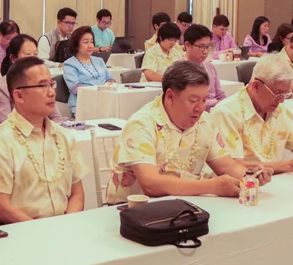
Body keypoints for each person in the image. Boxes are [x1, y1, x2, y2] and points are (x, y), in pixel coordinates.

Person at [107, 61, 272, 204]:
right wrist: (213, 186)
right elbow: (150, 184)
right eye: (193, 100)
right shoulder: (142, 124)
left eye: (204, 100)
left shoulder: (205, 122)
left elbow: (227, 166)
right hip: (133, 213)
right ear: (170, 96)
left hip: (184, 207)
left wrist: (251, 176)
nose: (200, 108)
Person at [0, 57, 87, 223]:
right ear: (19, 95)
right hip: (18, 235)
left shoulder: (63, 136)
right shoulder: (0, 143)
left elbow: (77, 192)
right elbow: (1, 209)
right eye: (42, 86)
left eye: (52, 84)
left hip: (64, 231)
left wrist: (67, 226)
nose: (52, 92)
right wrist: (43, 233)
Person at [0, 34, 63, 126]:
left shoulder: (44, 81)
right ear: (14, 58)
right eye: (28, 54)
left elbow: (56, 117)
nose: (33, 59)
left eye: (35, 54)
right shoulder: (1, 87)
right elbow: (4, 123)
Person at [61, 26, 112, 113]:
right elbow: (77, 89)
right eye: (85, 42)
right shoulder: (69, 64)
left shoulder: (99, 61)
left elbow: (110, 79)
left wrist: (109, 85)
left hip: (104, 102)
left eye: (92, 42)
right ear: (76, 44)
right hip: (82, 105)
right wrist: (100, 92)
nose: (90, 45)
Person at [182, 24, 226, 109]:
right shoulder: (180, 69)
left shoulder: (210, 66)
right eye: (201, 47)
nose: (205, 51)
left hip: (214, 112)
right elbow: (187, 100)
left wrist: (223, 103)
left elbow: (220, 95)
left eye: (208, 46)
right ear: (187, 45)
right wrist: (216, 102)